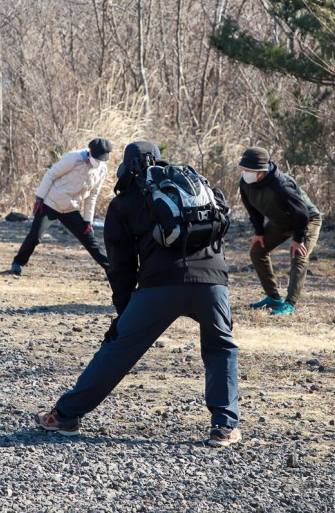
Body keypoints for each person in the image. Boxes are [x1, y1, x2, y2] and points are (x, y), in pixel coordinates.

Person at [35, 141, 240, 447]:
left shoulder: (125, 201)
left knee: (119, 350)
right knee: (221, 347)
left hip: (159, 285)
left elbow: (121, 268)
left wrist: (124, 312)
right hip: (213, 282)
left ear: (126, 166)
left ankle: (64, 416)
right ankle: (224, 427)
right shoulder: (191, 186)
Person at [238, 147, 323, 316]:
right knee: (257, 252)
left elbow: (301, 213)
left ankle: (290, 304)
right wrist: (259, 232)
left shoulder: (281, 186)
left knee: (298, 255)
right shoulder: (245, 184)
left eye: (250, 170)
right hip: (280, 222)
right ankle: (273, 298)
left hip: (306, 221)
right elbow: (252, 209)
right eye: (244, 169)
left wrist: (298, 239)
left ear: (261, 171)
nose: (245, 173)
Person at [9, 138, 112, 275]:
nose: (99, 162)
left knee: (89, 240)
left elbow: (93, 195)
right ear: (91, 151)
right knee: (35, 236)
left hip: (70, 208)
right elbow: (50, 175)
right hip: (50, 203)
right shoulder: (74, 158)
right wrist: (39, 199)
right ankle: (17, 263)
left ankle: (111, 269)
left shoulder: (102, 170)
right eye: (97, 157)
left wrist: (88, 221)